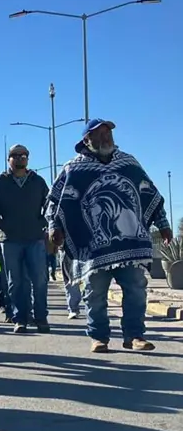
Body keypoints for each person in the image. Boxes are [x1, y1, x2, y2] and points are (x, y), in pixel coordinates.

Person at [47, 119, 172, 353]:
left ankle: (135, 335)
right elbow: (55, 201)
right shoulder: (73, 168)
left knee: (136, 289)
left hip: (130, 243)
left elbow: (149, 192)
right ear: (87, 140)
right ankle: (98, 337)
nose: (105, 137)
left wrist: (163, 224)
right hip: (92, 246)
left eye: (108, 133)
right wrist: (54, 226)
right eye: (99, 134)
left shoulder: (129, 163)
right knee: (95, 294)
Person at [0, 144, 51, 334]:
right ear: (8, 159)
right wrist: (0, 223)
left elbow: (50, 204)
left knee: (39, 280)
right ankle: (20, 319)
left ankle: (41, 317)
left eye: (23, 155)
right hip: (9, 239)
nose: (20, 158)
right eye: (15, 155)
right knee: (15, 282)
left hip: (35, 237)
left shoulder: (38, 181)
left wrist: (42, 222)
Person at [60, 249, 82, 319]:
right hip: (68, 248)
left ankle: (94, 310)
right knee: (72, 279)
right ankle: (73, 309)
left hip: (90, 247)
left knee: (91, 279)